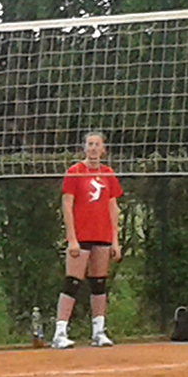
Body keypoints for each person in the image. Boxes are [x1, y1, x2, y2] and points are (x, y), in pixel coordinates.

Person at [52, 131, 123, 349]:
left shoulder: (108, 174)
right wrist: (71, 239)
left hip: (102, 235)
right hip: (81, 236)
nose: (93, 148)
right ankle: (60, 332)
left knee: (99, 283)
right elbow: (67, 206)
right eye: (90, 144)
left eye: (97, 145)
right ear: (84, 148)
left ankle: (98, 331)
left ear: (103, 150)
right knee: (72, 282)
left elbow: (112, 207)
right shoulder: (75, 172)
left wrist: (115, 240)